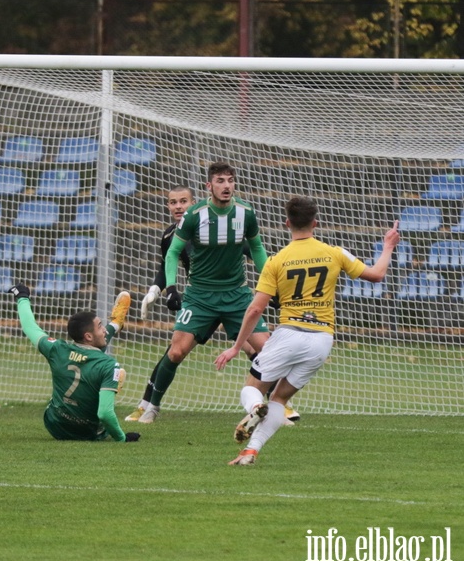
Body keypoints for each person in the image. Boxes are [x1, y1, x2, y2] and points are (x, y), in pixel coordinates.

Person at [215, 196, 399, 465]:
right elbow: (377, 275)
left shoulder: (277, 261)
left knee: (251, 388)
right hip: (322, 340)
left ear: (287, 223)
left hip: (289, 334)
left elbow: (255, 309)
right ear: (316, 222)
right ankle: (250, 451)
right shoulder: (335, 253)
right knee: (280, 399)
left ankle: (255, 408)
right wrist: (388, 246)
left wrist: (235, 346)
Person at [136, 162, 275, 424]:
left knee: (267, 351)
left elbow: (256, 249)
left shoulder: (246, 212)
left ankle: (278, 406)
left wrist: (270, 283)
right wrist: (172, 288)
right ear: (209, 186)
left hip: (237, 295)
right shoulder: (193, 216)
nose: (226, 186)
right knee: (176, 352)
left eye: (230, 180)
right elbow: (173, 253)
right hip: (200, 297)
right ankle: (151, 406)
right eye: (220, 181)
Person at [9, 282, 139, 442]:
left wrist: (22, 297)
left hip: (55, 425)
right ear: (88, 336)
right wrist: (122, 438)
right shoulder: (110, 365)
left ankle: (116, 323)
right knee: (114, 372)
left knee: (93, 356)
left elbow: (30, 327)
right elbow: (105, 414)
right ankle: (116, 323)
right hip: (89, 432)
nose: (103, 329)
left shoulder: (57, 349)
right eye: (100, 326)